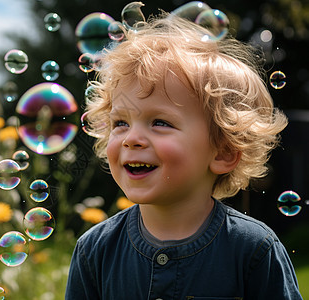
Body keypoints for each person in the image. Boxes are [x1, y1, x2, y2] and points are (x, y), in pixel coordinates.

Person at [65, 10, 303, 300]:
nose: (132, 139)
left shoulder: (253, 249)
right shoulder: (95, 251)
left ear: (224, 151)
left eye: (160, 122)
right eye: (121, 123)